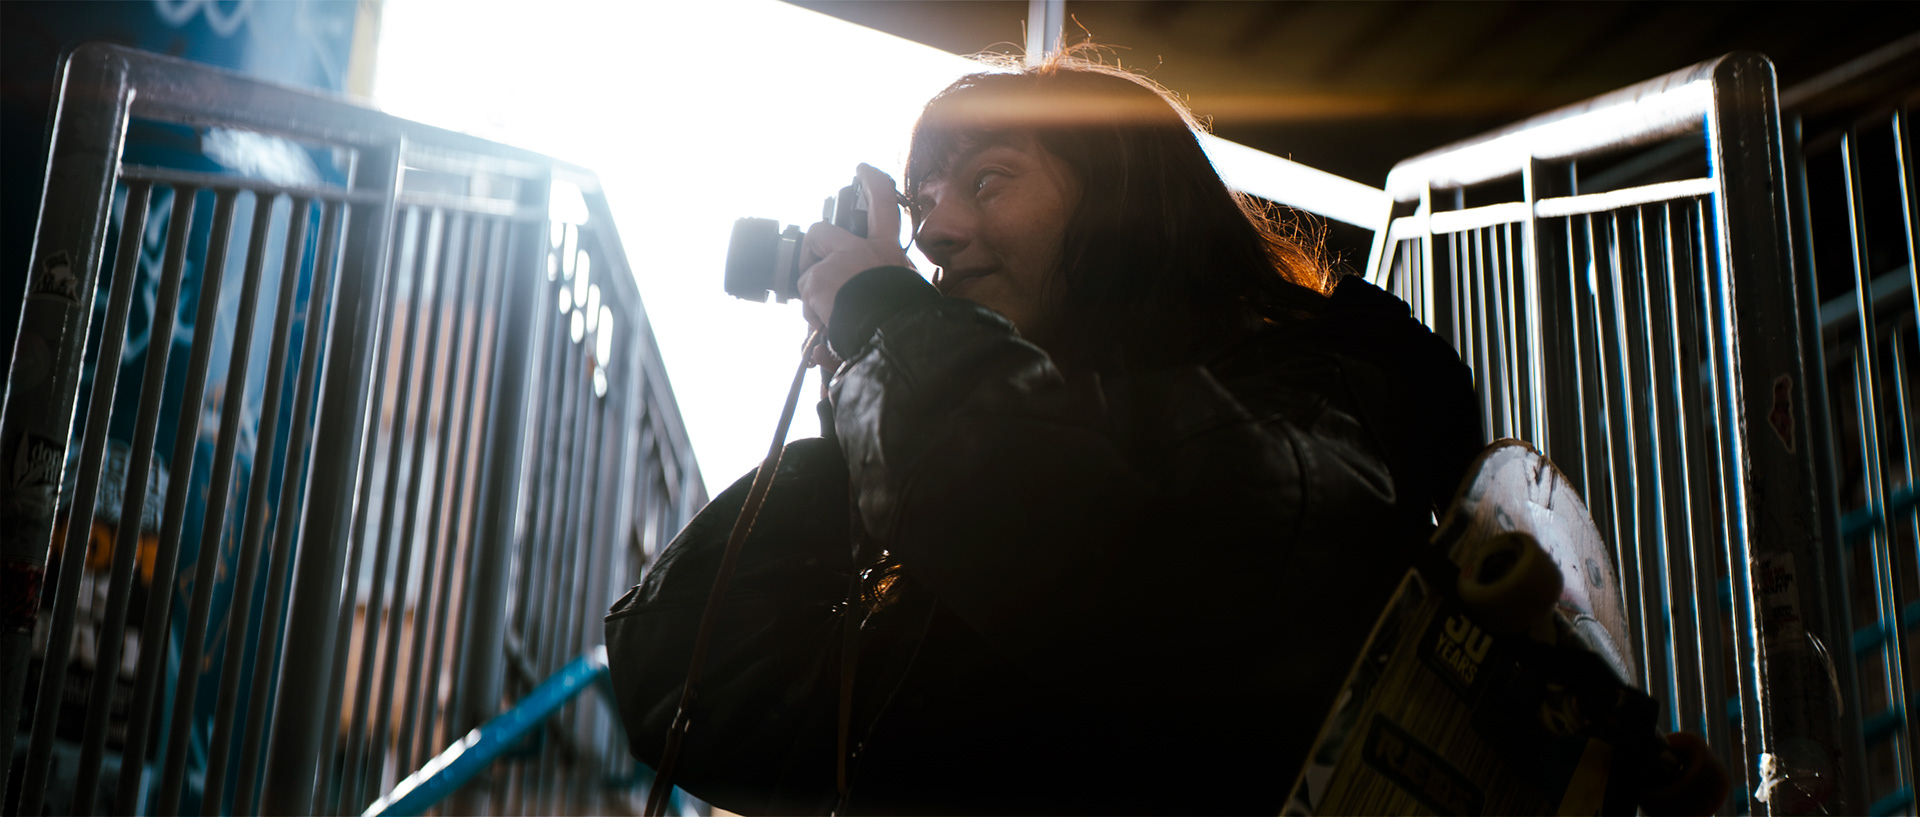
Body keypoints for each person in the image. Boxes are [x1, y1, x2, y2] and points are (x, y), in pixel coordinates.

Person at [605, 52, 1482, 816]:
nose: (933, 234)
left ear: (1124, 195)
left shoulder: (1333, 390)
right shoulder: (961, 492)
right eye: (923, 205)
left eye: (987, 180)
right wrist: (858, 412)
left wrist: (885, 327)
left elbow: (1092, 520)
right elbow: (688, 683)